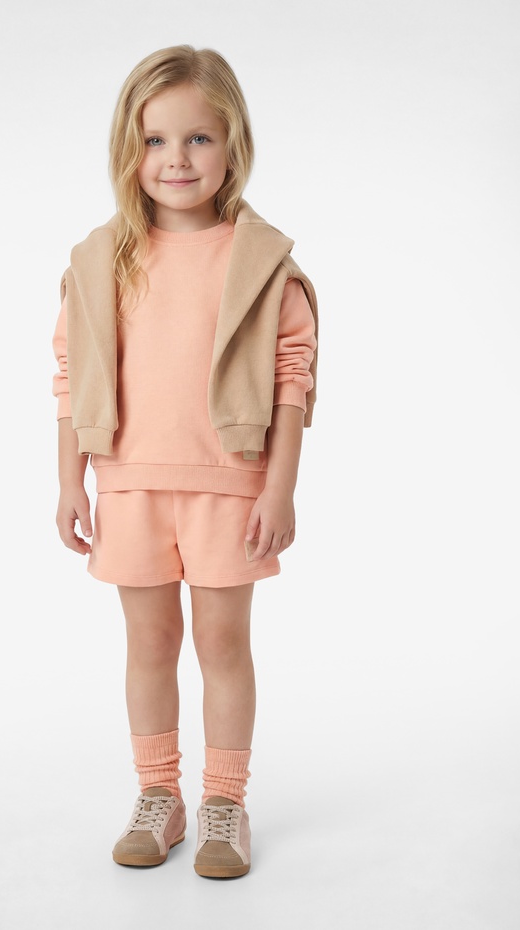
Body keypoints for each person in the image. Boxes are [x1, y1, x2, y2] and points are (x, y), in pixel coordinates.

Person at [52, 44, 319, 879]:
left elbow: (293, 381)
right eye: (155, 140)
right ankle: (158, 794)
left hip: (228, 486)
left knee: (222, 642)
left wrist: (279, 488)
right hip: (128, 483)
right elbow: (69, 374)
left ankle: (224, 803)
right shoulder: (100, 259)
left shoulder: (262, 263)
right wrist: (68, 481)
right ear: (128, 150)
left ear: (233, 144)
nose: (176, 159)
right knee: (149, 641)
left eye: (199, 138)